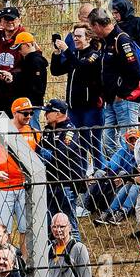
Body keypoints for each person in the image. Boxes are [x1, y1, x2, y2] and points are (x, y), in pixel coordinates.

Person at [90, 8, 140, 165]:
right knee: (107, 141)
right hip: (111, 101)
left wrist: (121, 94)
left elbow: (135, 71)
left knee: (128, 140)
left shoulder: (121, 40)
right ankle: (118, 172)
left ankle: (131, 173)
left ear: (97, 25)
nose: (92, 31)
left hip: (125, 100)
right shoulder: (107, 42)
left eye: (92, 27)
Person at [51, 23, 104, 170]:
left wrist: (67, 50)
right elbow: (56, 71)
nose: (75, 39)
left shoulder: (94, 54)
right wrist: (56, 54)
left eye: (79, 36)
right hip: (74, 108)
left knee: (93, 144)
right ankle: (82, 176)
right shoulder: (74, 55)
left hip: (91, 108)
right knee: (77, 144)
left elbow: (82, 67)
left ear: (88, 38)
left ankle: (102, 176)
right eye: (74, 36)